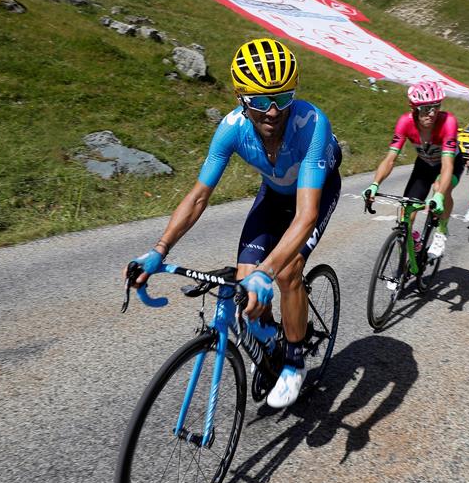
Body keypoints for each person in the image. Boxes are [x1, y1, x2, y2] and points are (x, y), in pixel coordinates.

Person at [124, 38, 341, 409]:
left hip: (314, 194)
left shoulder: (312, 124)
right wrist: (160, 249)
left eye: (282, 98)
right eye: (259, 101)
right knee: (245, 278)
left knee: (287, 273)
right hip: (273, 195)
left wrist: (269, 270)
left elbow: (306, 216)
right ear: (242, 99)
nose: (272, 112)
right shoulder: (231, 128)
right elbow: (198, 197)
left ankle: (293, 359)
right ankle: (270, 337)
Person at [364, 80, 463, 259]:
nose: (432, 113)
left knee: (441, 186)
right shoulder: (405, 123)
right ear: (415, 109)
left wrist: (439, 195)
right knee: (406, 214)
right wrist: (375, 185)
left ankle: (441, 231)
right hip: (424, 164)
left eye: (436, 107)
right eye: (426, 109)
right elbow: (390, 159)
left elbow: (447, 165)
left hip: (450, 163)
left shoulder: (448, 122)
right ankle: (407, 259)